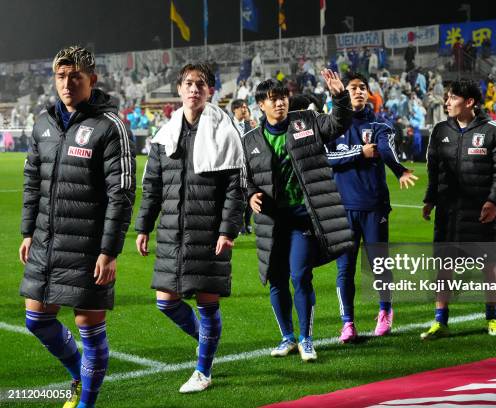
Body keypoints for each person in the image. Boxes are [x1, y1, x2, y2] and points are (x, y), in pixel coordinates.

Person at [19, 46, 136, 408]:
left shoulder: (110, 126)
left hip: (88, 247)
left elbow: (122, 192)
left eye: (75, 77)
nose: (67, 83)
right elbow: (32, 181)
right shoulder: (43, 123)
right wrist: (27, 232)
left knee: (89, 327)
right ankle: (77, 374)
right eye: (61, 76)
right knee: (36, 319)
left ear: (92, 79)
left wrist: (109, 251)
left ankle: (86, 402)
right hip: (45, 241)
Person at [135, 63, 245, 393]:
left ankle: (203, 370)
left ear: (210, 90)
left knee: (207, 302)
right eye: (188, 83)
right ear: (179, 89)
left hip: (208, 231)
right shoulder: (164, 135)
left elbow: (234, 188)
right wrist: (143, 226)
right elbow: (152, 185)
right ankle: (207, 341)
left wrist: (228, 231)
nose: (194, 88)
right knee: (165, 301)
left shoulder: (225, 131)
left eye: (200, 84)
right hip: (171, 232)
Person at [242, 70, 354, 361]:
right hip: (271, 222)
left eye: (282, 98)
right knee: (276, 280)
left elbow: (339, 123)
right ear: (261, 106)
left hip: (302, 219)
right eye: (273, 100)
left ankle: (306, 339)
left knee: (300, 276)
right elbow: (245, 177)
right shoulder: (250, 140)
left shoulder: (306, 121)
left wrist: (339, 96)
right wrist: (250, 194)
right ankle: (287, 338)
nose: (280, 104)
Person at [325, 72, 418, 342]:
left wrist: (398, 170)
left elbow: (386, 149)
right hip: (342, 208)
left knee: (379, 265)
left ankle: (385, 311)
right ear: (345, 92)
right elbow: (326, 158)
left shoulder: (380, 125)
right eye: (352, 88)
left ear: (368, 93)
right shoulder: (333, 125)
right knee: (345, 269)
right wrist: (358, 152)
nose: (358, 92)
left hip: (374, 207)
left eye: (362, 88)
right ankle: (348, 323)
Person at [421, 79, 496, 340]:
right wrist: (430, 199)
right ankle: (440, 321)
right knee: (444, 266)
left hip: (480, 212)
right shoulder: (439, 131)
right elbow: (434, 170)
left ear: (469, 102)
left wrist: (493, 201)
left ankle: (492, 319)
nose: (446, 102)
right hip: (448, 212)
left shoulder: (492, 131)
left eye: (452, 97)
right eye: (446, 97)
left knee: (488, 266)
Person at [231, 98, 253, 234]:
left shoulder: (249, 125)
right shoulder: (227, 124)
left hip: (248, 164)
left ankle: (248, 222)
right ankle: (239, 225)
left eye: (246, 107)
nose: (244, 109)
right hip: (234, 165)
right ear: (235, 109)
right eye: (242, 107)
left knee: (249, 193)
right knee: (236, 196)